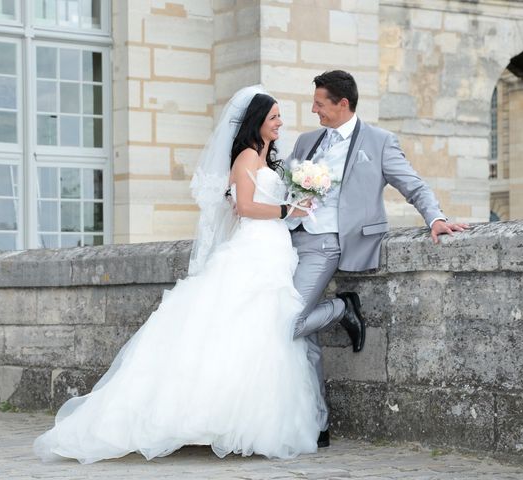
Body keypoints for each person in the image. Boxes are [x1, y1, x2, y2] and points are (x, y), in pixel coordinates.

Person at [33, 86, 326, 464]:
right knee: (243, 328)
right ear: (257, 122)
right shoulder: (246, 157)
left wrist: (298, 202)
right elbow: (245, 207)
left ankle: (253, 420)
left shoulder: (270, 161)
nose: (280, 123)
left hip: (274, 251)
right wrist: (288, 211)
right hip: (253, 249)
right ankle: (217, 419)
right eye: (273, 118)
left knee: (269, 330)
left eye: (279, 117)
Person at [285, 70, 469, 448]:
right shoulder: (306, 142)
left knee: (287, 322)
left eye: (320, 103)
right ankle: (318, 422)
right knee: (303, 338)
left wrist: (435, 217)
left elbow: (413, 184)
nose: (313, 110)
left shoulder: (379, 142)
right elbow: (287, 189)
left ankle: (341, 308)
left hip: (330, 245)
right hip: (290, 242)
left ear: (343, 104)